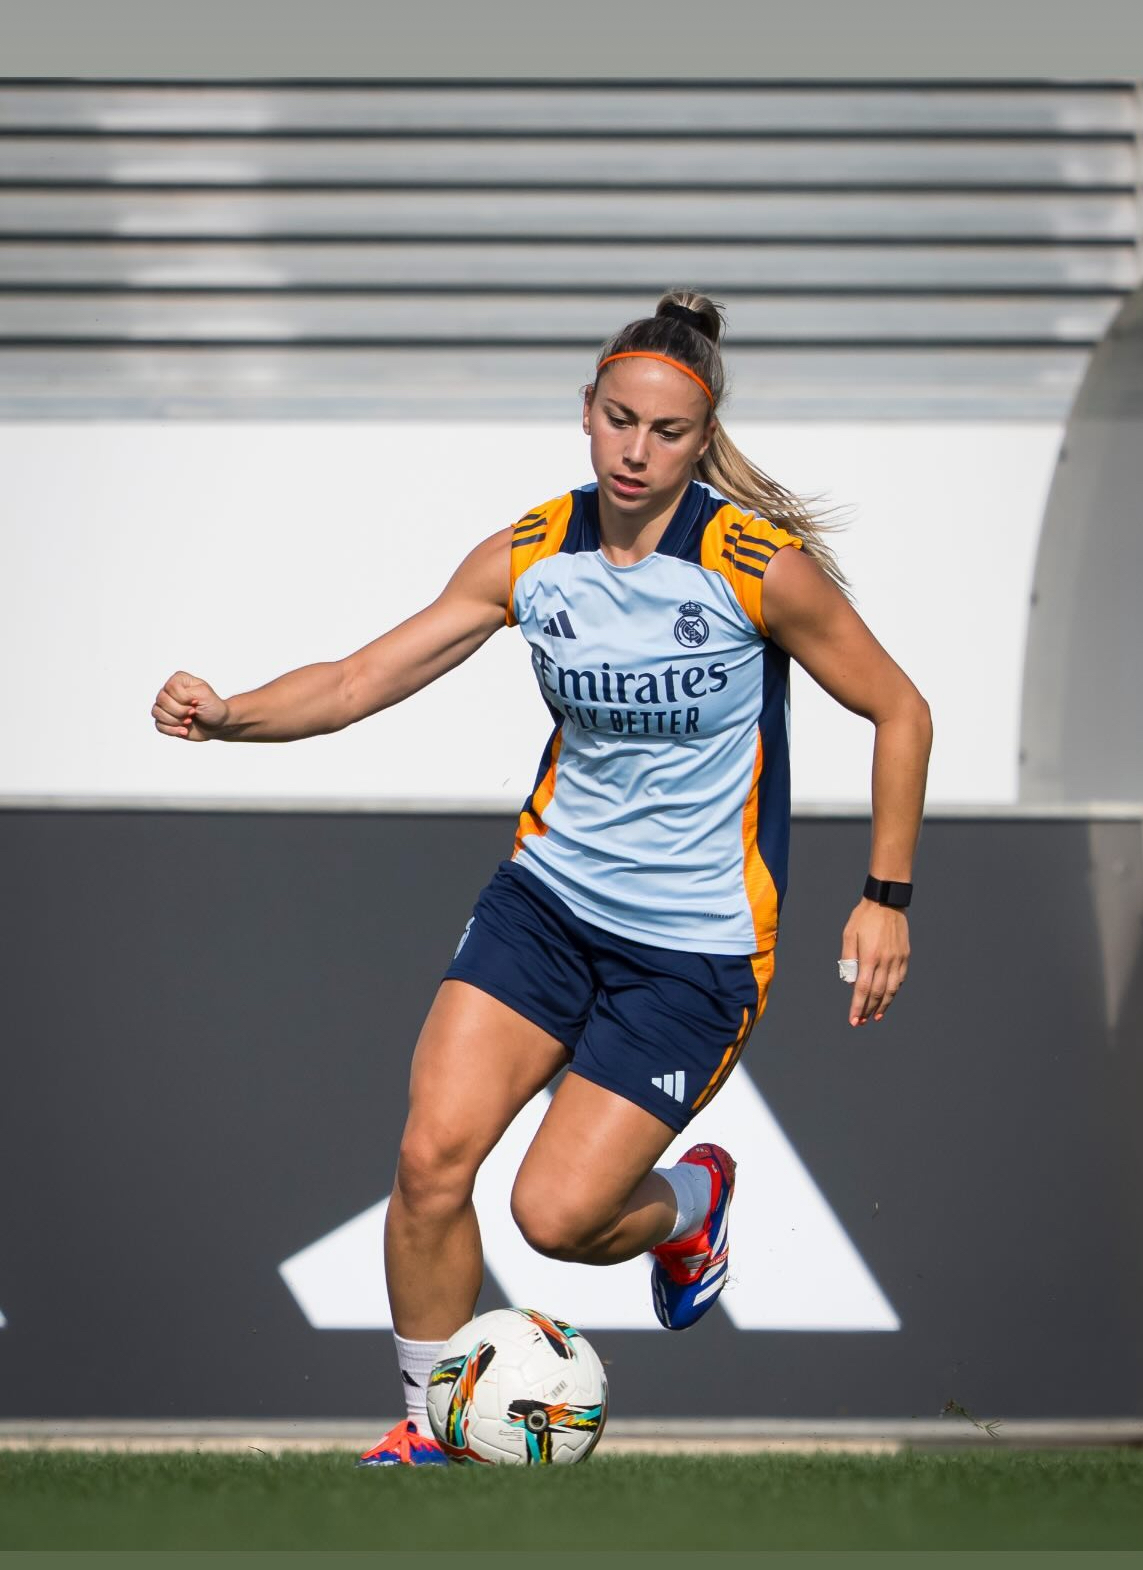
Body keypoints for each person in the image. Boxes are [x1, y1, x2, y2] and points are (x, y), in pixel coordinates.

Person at [152, 291, 932, 1467]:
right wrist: (230, 714)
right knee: (430, 1162)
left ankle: (692, 1203)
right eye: (619, 419)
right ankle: (431, 1433)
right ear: (585, 411)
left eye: (667, 432)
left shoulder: (757, 568)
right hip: (546, 907)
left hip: (693, 952)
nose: (636, 450)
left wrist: (886, 898)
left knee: (555, 1218)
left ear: (702, 439)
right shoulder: (531, 553)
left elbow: (901, 709)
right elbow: (361, 679)